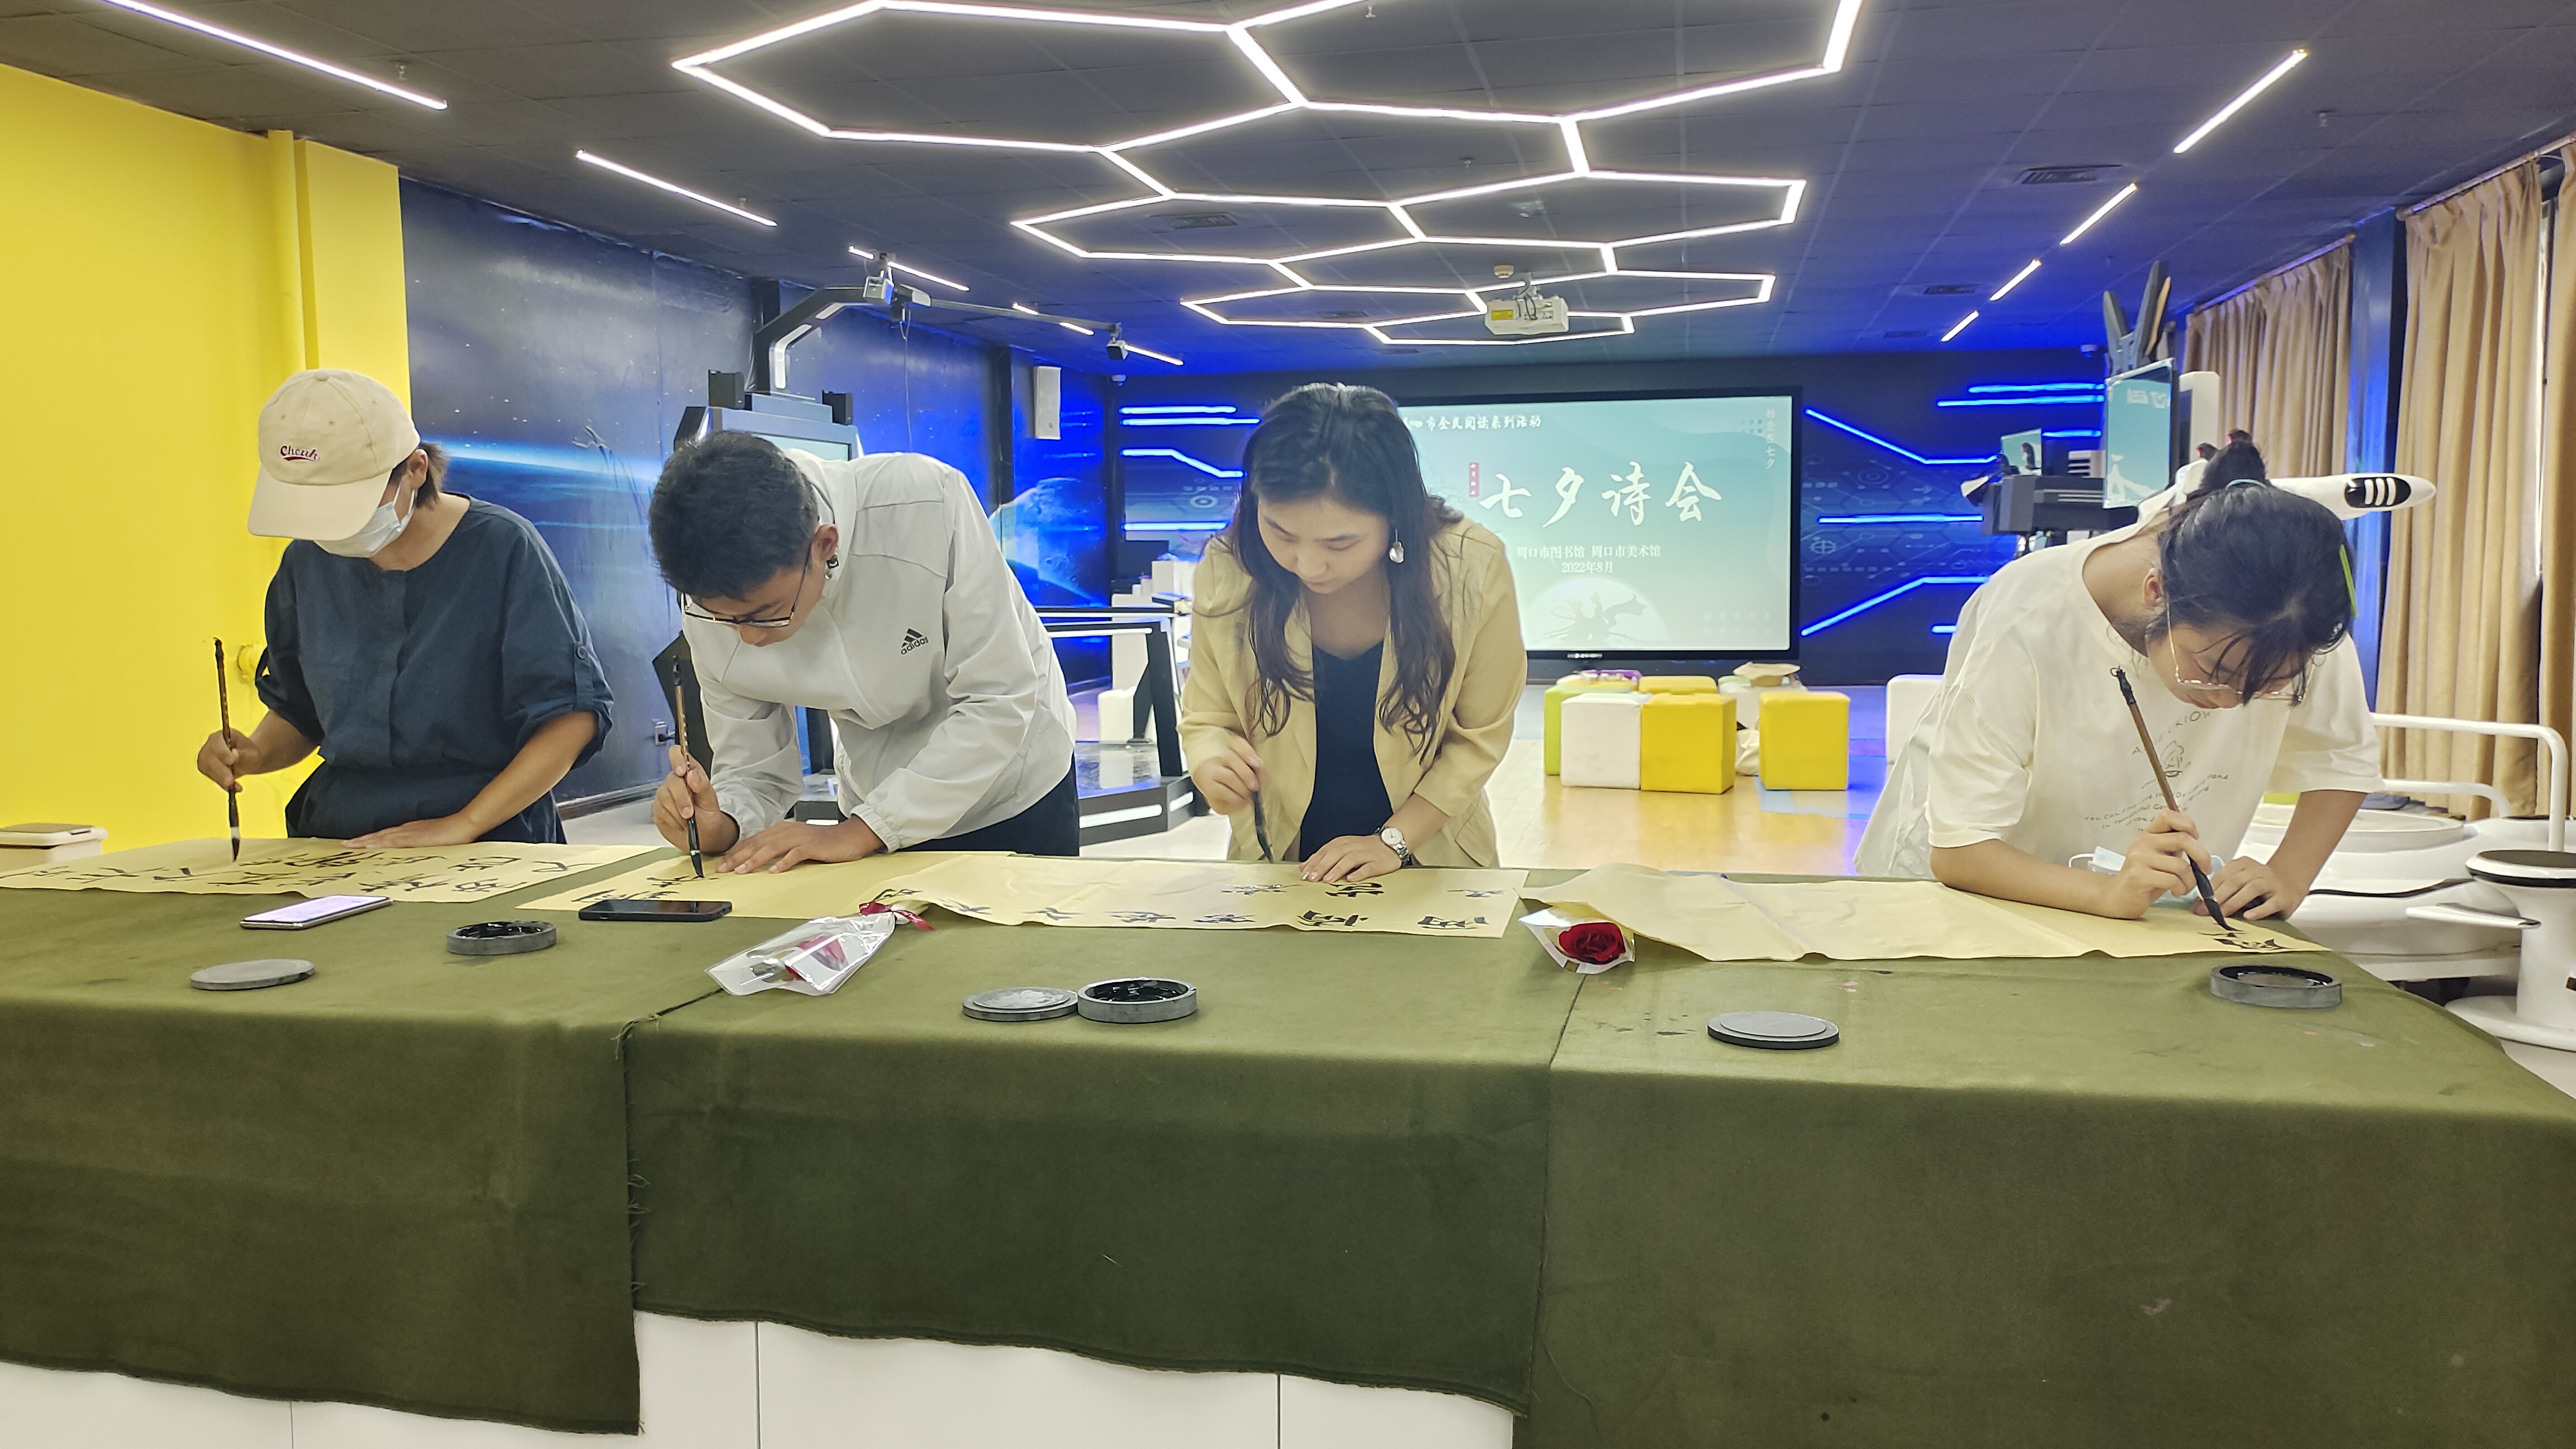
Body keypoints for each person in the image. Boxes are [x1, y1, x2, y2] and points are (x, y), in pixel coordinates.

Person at [1856, 435, 2376, 920]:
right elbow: (1962, 849)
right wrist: (2106, 894)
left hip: (2137, 907)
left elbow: (2343, 757)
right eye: (2212, 673)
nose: (2229, 702)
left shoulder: (2294, 616)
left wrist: (2289, 875)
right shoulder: (2030, 613)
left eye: (2268, 686)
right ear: (2157, 592)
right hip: (1970, 893)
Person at [195, 370, 612, 844]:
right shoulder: (306, 563)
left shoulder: (504, 550)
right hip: (343, 836)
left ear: (415, 469)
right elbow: (301, 710)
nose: (330, 532)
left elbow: (571, 718)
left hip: (492, 835)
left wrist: (463, 824)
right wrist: (254, 753)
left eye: (345, 507)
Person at [648, 433, 1076, 871]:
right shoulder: (710, 600)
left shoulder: (926, 505)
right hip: (873, 805)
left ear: (824, 545)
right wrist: (721, 824)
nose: (748, 638)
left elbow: (998, 698)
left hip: (1011, 789)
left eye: (768, 614)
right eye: (726, 619)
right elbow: (754, 769)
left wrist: (861, 831)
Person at [1182, 383, 1526, 883]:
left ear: (1395, 516)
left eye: (1340, 544)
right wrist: (1211, 757)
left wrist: (1393, 841)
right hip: (1281, 860)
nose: (1308, 565)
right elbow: (1207, 715)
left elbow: (1479, 737)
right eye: (1281, 532)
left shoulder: (1469, 568)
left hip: (1431, 854)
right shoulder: (1231, 566)